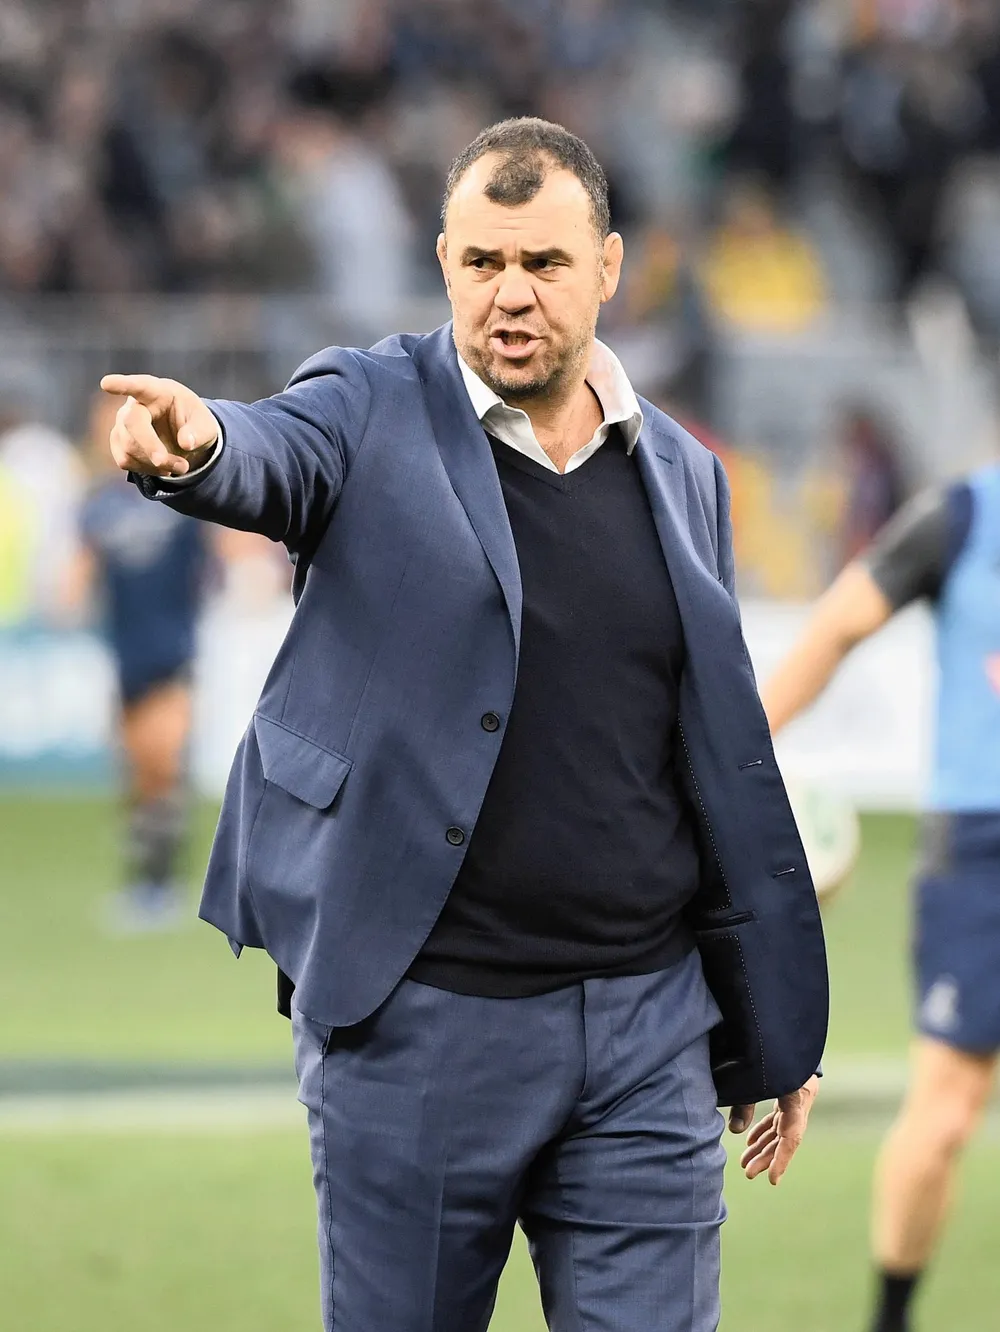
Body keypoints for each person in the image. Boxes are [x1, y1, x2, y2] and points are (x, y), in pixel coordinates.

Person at [101, 117, 827, 1332]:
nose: (510, 293)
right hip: (422, 1028)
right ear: (443, 261)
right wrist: (201, 447)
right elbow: (271, 453)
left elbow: (710, 765)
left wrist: (767, 1019)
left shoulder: (685, 473)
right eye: (483, 261)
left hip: (648, 1040)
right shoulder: (367, 404)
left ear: (608, 266)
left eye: (543, 262)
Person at [761, 467, 1000, 1332]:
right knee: (943, 1120)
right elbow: (836, 627)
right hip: (980, 849)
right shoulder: (963, 517)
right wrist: (737, 761)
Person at [61, 391, 212, 931]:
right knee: (138, 776)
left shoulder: (178, 488)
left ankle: (162, 885)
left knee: (164, 763)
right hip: (125, 654)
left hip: (172, 649)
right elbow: (75, 580)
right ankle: (144, 883)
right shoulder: (96, 506)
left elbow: (223, 545)